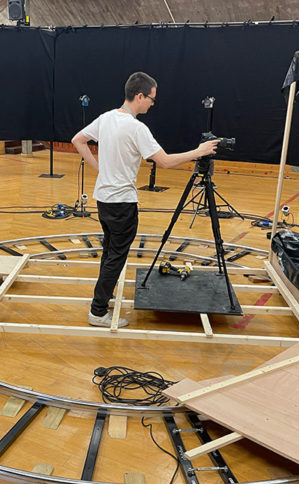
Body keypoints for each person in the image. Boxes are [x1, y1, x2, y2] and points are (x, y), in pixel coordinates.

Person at [71, 72, 220, 328]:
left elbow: (78, 140)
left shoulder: (106, 118)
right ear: (139, 96)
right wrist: (199, 152)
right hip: (122, 204)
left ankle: (102, 298)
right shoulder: (136, 128)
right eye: (151, 98)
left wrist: (100, 169)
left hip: (104, 200)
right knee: (115, 256)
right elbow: (164, 161)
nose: (152, 103)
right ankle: (98, 311)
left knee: (110, 253)